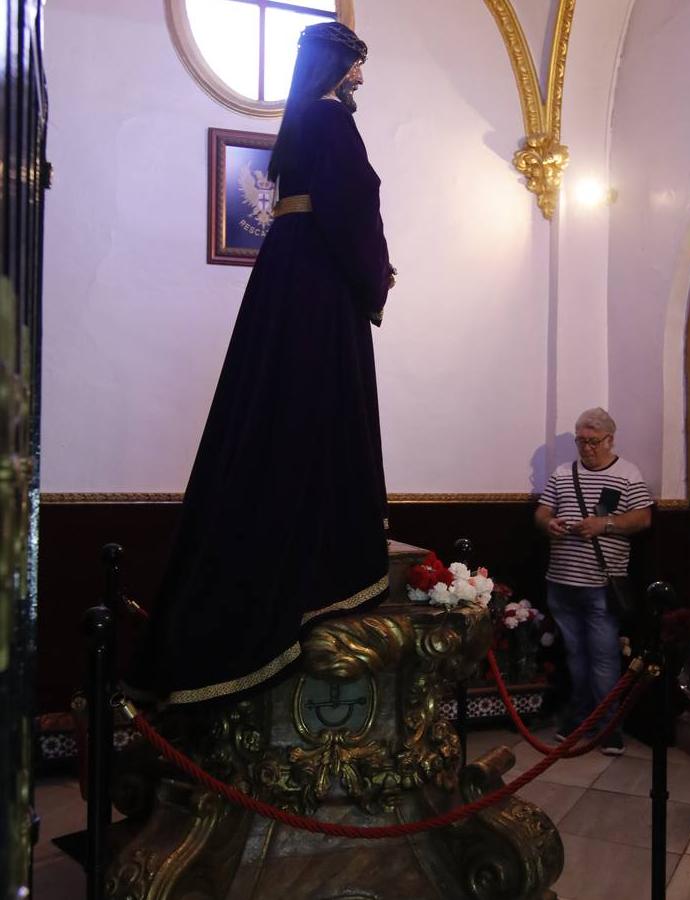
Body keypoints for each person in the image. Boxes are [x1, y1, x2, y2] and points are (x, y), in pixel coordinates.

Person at [128, 22, 395, 705]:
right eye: (357, 66)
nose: (361, 79)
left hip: (288, 275)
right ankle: (318, 569)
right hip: (319, 284)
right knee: (317, 406)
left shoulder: (299, 121)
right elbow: (353, 204)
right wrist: (376, 276)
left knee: (278, 404)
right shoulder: (331, 120)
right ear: (337, 67)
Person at [535, 407, 653, 754]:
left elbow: (643, 518)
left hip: (602, 584)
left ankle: (608, 727)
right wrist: (549, 524)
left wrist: (605, 525)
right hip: (561, 580)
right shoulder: (562, 473)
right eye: (580, 441)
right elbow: (542, 512)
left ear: (610, 440)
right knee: (575, 655)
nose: (586, 448)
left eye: (593, 442)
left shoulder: (627, 475)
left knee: (603, 659)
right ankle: (580, 718)